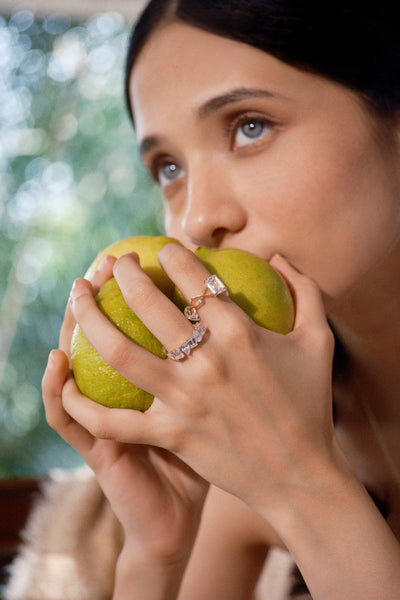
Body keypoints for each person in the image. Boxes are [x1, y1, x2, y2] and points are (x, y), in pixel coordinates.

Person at [41, 1, 400, 598]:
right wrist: (154, 553)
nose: (197, 220)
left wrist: (301, 484)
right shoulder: (250, 443)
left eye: (249, 126)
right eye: (169, 168)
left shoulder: (275, 454)